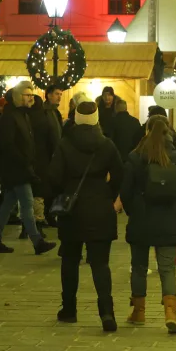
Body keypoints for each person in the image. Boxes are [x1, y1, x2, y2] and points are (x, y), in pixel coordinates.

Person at [49, 101, 124, 332]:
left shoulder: (65, 144)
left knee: (70, 260)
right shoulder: (107, 144)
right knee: (100, 263)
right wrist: (110, 196)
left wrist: (61, 196)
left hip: (73, 210)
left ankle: (69, 309)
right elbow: (120, 175)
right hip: (101, 207)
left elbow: (53, 177)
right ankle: (107, 312)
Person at [120, 117, 176, 334]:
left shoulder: (135, 157)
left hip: (141, 219)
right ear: (168, 131)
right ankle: (171, 313)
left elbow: (125, 191)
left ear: (147, 130)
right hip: (168, 219)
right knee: (167, 268)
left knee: (139, 267)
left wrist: (134, 211)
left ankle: (139, 312)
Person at [0, 82, 57, 256]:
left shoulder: (22, 115)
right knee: (27, 204)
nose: (31, 97)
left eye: (32, 94)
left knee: (7, 205)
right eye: (27, 94)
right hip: (17, 170)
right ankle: (37, 241)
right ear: (18, 97)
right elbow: (8, 145)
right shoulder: (10, 117)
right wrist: (25, 164)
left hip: (20, 168)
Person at [28, 94, 60, 238]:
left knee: (30, 194)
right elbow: (53, 138)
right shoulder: (44, 118)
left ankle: (29, 226)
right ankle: (38, 223)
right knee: (40, 192)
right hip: (44, 158)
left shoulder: (27, 117)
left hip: (31, 159)